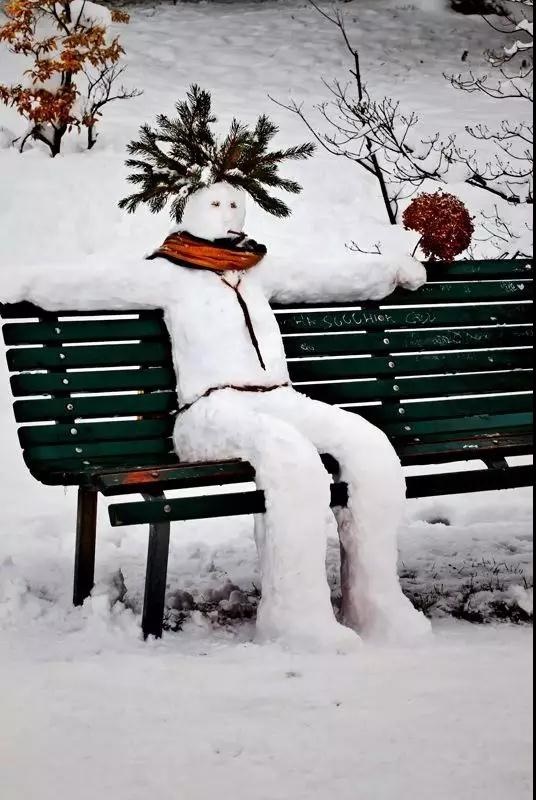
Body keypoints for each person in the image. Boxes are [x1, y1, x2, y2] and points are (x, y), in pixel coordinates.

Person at [3, 90, 431, 651]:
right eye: (216, 205)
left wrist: (389, 274)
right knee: (291, 459)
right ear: (191, 210)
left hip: (277, 400)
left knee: (370, 449)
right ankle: (296, 613)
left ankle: (374, 603)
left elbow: (326, 277)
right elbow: (93, 286)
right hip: (210, 414)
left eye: (234, 205)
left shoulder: (257, 268)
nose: (228, 215)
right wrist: (23, 283)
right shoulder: (169, 272)